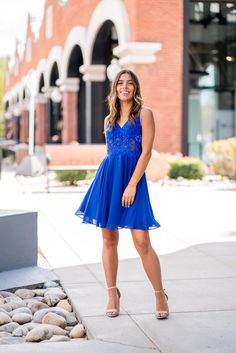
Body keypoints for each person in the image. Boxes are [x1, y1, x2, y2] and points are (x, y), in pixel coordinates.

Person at [75, 69, 169, 319]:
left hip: (133, 182)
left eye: (129, 83)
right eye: (120, 83)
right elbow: (111, 154)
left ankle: (160, 294)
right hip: (108, 180)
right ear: (115, 88)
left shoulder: (144, 114)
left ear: (135, 88)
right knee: (108, 239)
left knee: (141, 241)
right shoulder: (108, 119)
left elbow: (146, 152)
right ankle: (112, 293)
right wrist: (115, 184)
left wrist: (131, 184)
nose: (125, 87)